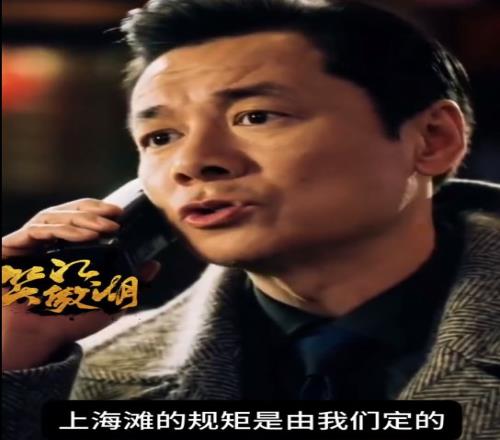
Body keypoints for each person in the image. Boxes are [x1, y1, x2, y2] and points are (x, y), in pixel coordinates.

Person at [2, 0, 499, 439]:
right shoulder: (85, 378)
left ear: (432, 139)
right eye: (161, 137)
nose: (192, 162)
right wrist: (20, 344)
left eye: (256, 116)